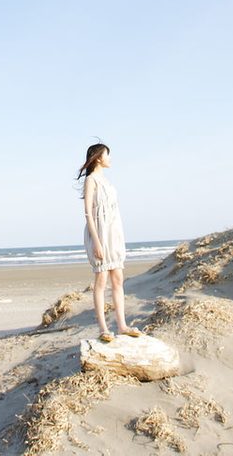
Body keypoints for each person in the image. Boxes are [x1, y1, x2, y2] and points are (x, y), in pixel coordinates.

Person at [78, 142, 142, 342]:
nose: (110, 158)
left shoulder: (107, 181)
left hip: (114, 232)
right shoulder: (91, 180)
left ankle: (122, 326)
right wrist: (96, 242)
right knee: (101, 280)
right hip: (100, 233)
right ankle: (103, 329)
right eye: (107, 154)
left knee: (118, 279)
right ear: (98, 158)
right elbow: (88, 213)